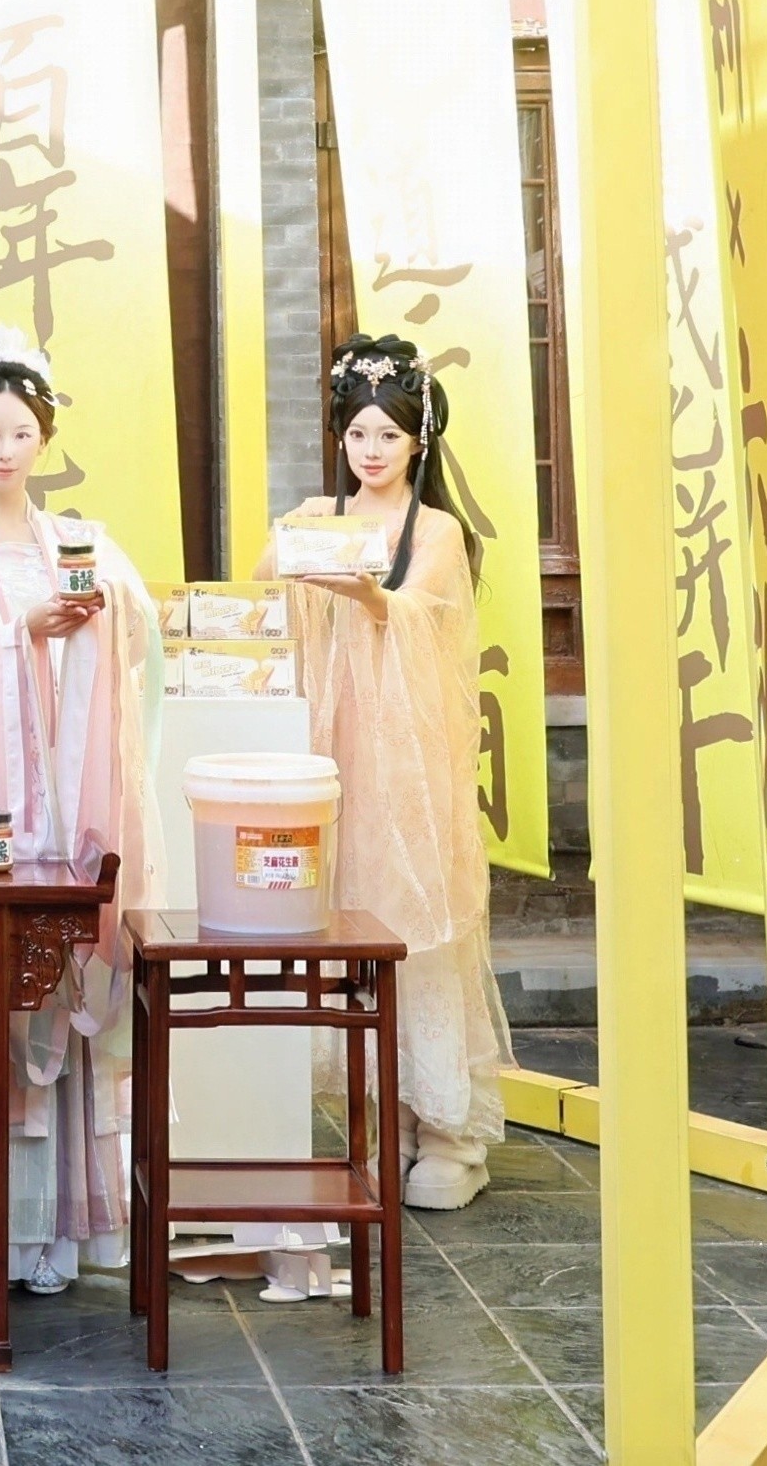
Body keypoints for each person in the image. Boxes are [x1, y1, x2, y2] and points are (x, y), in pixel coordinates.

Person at [0, 325, 163, 1296]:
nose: (4, 449)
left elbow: (136, 633)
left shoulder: (76, 542)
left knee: (62, 978)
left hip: (67, 800)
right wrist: (24, 630)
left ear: (43, 439)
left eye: (20, 432)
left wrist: (105, 615)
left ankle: (65, 1226)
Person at [261, 332, 512, 1222]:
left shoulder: (435, 531)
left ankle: (448, 1131)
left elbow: (414, 620)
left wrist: (369, 596)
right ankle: (379, 1120)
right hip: (328, 754)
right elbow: (258, 593)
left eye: (389, 436)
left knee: (419, 927)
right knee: (344, 923)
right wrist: (293, 560)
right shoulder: (311, 515)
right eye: (358, 433)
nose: (370, 451)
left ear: (418, 443)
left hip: (406, 765)